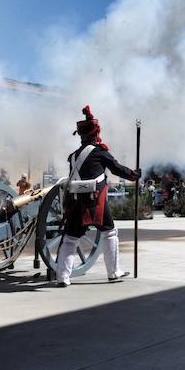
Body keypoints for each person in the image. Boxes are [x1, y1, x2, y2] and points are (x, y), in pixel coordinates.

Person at [55, 106, 140, 287]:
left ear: (81, 135)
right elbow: (117, 169)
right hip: (95, 202)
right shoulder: (99, 152)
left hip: (76, 203)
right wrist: (133, 175)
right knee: (109, 233)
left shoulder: (73, 156)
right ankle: (113, 272)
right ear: (95, 134)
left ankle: (63, 276)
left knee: (70, 238)